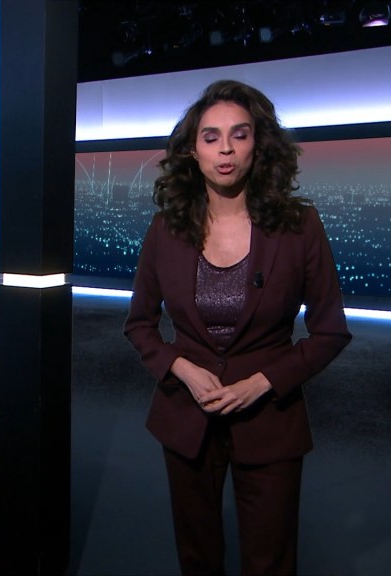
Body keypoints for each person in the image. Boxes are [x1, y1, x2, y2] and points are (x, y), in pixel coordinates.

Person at [123, 79, 351, 575]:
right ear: (193, 150)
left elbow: (331, 332)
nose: (225, 149)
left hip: (270, 420)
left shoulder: (299, 226)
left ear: (258, 144)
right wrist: (181, 368)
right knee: (197, 559)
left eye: (239, 134)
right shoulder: (166, 229)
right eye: (211, 137)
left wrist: (263, 382)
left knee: (270, 562)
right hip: (186, 418)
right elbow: (139, 325)